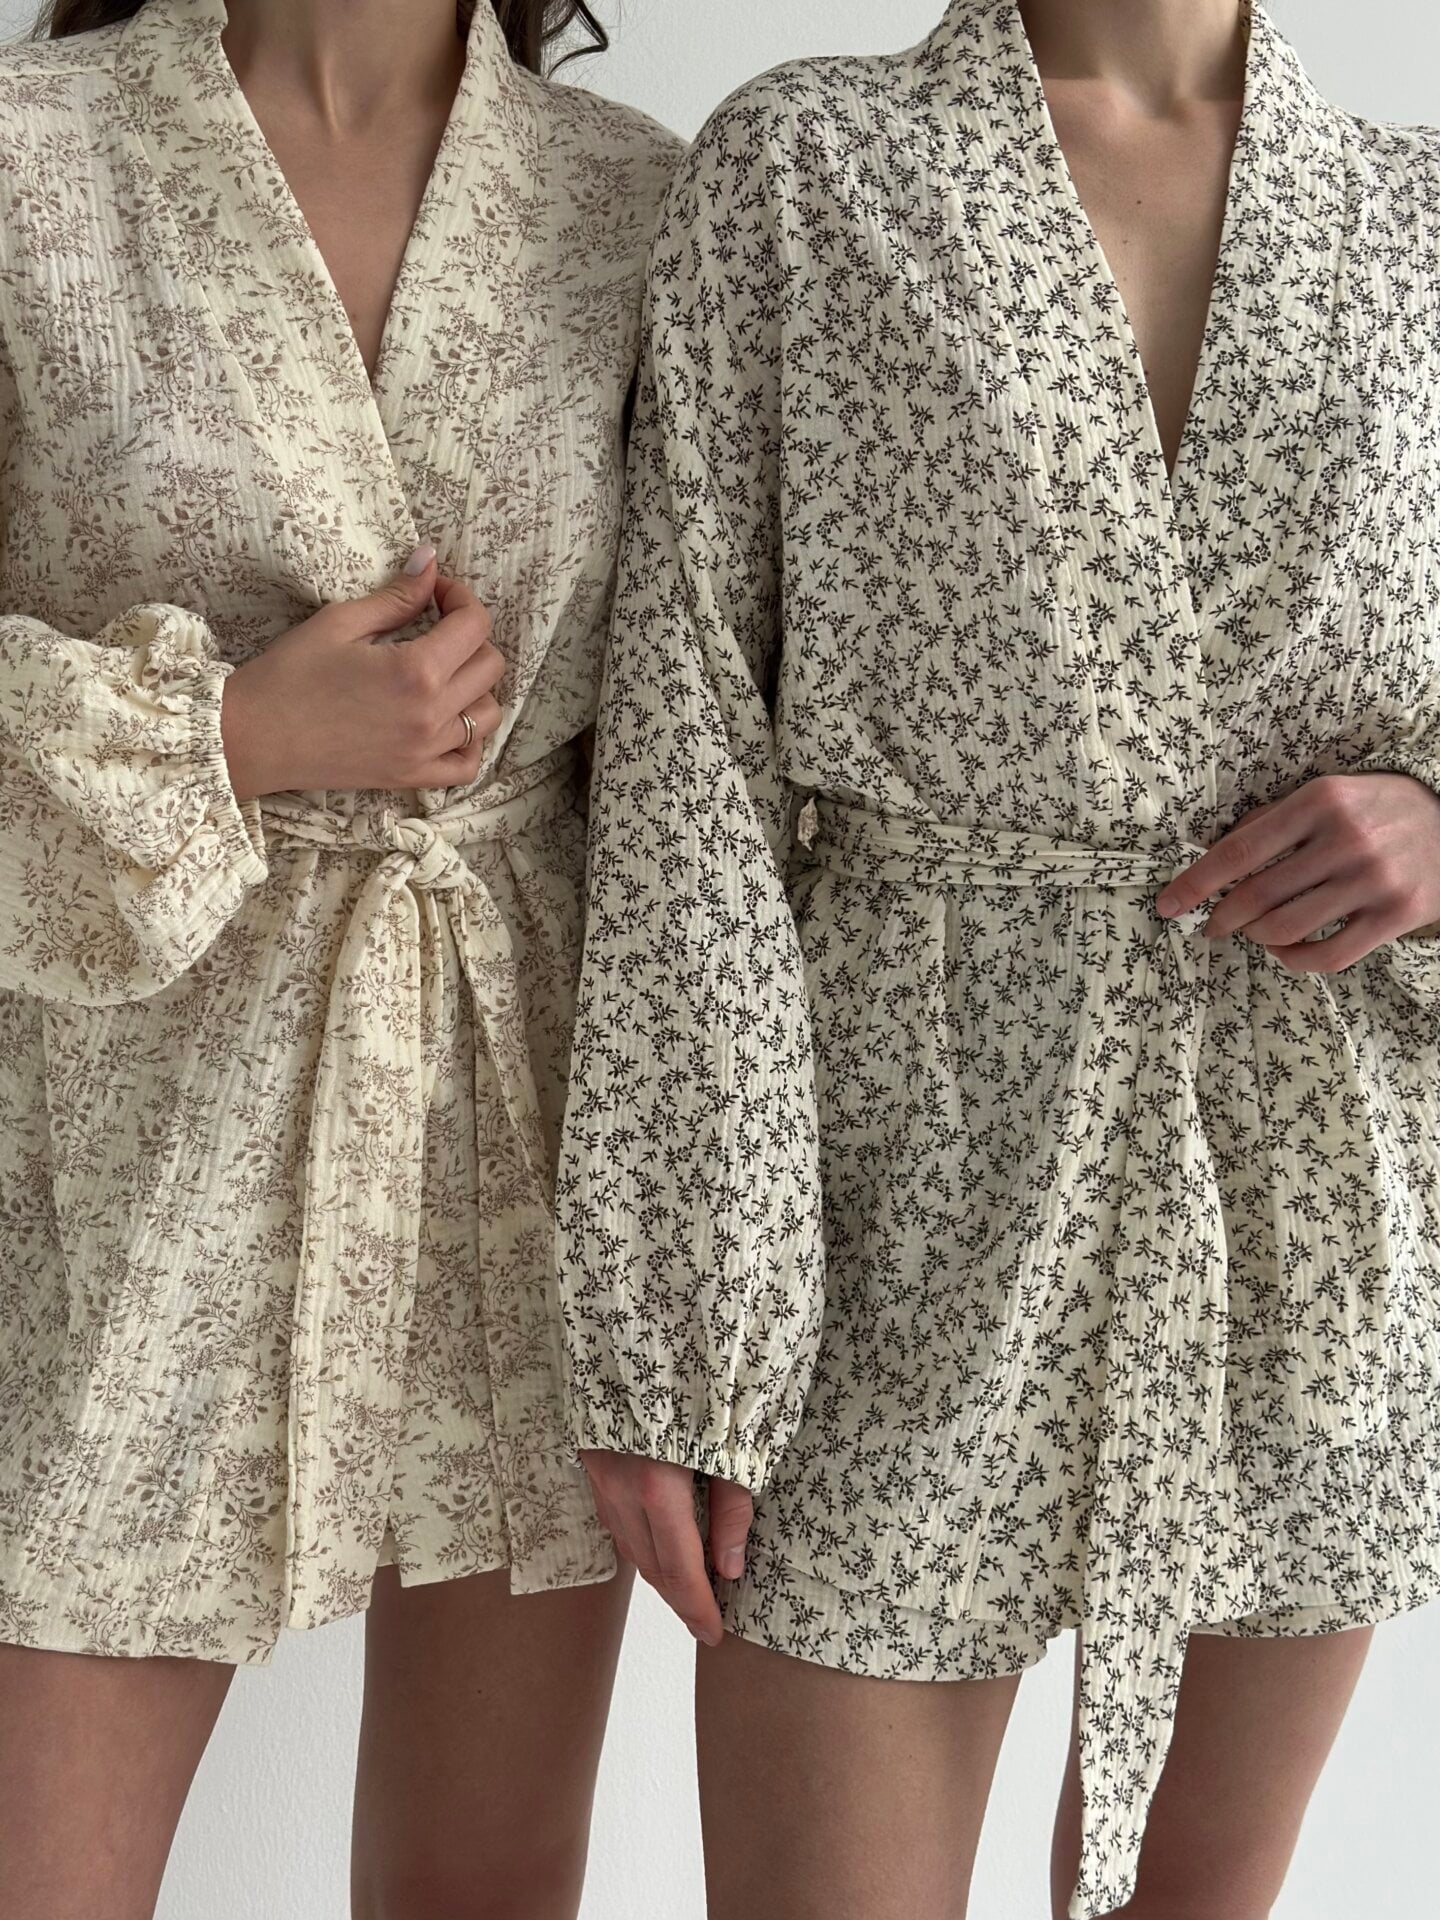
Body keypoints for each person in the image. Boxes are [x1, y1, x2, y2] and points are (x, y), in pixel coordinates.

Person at [557, 2, 1440, 1915]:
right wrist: (682, 1330)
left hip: (1304, 1192)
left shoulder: (1412, 215)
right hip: (901, 1181)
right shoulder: (813, 166)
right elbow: (689, 752)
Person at [0, 1, 680, 1914]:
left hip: (522, 1123)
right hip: (122, 1154)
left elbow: (710, 720)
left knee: (484, 1886)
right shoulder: (33, 153)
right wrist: (231, 736)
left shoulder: (629, 199)